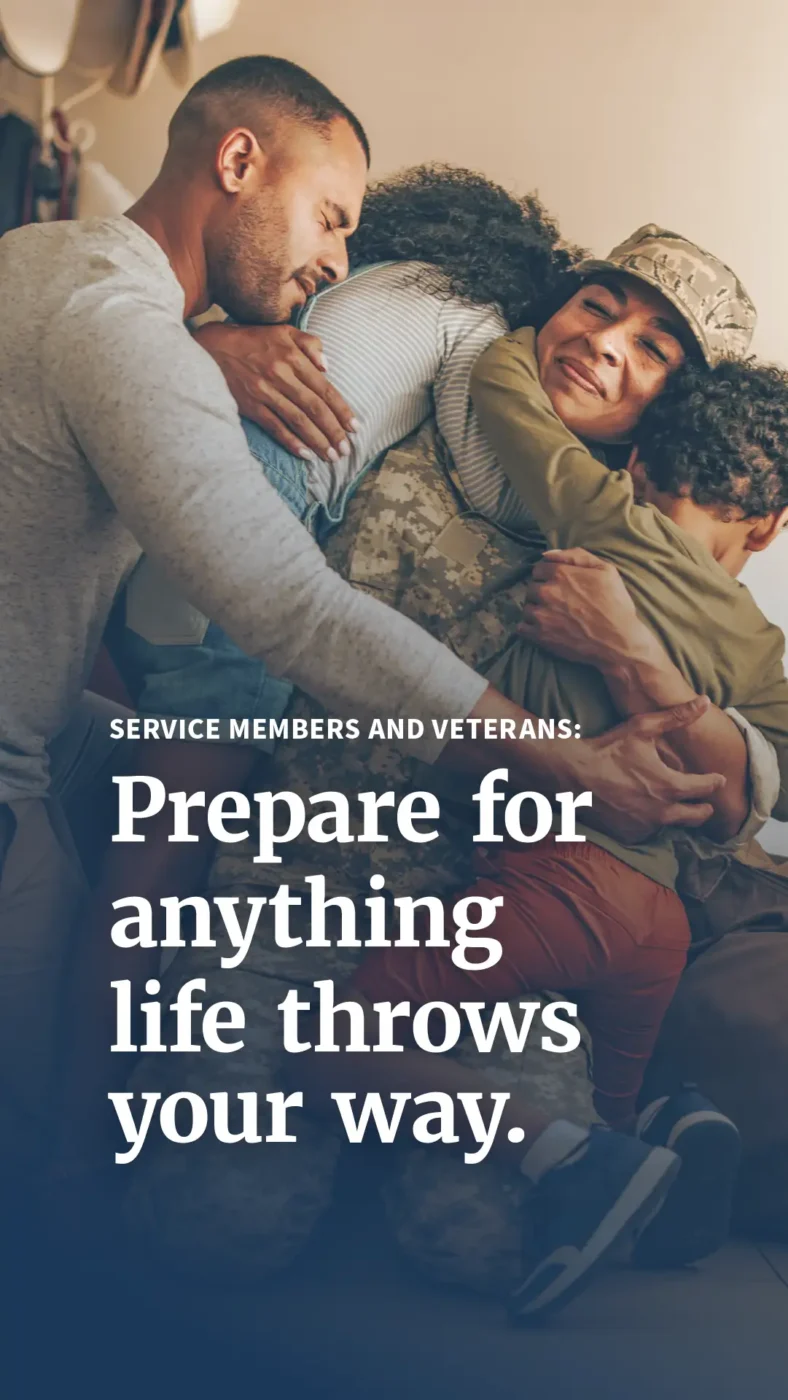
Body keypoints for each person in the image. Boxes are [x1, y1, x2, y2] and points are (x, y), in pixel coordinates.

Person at [2, 59, 689, 1186]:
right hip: (43, 752)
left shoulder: (44, 264)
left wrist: (203, 350)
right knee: (84, 1020)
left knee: (125, 793)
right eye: (329, 218)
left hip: (60, 724)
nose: (335, 262)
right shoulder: (131, 332)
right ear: (236, 162)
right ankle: (74, 1177)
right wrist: (560, 752)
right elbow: (292, 608)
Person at [299, 351, 788, 1321]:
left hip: (561, 884)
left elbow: (499, 387)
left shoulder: (604, 519)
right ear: (768, 527)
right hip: (658, 924)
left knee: (327, 1036)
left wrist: (546, 328)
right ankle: (649, 1131)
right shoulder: (760, 648)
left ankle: (568, 1150)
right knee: (612, 1121)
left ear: (637, 466)